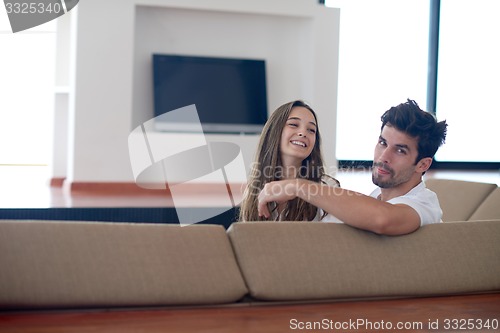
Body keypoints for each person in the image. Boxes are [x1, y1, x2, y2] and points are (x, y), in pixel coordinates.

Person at [257, 99, 448, 235]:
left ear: (423, 164)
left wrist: (296, 186)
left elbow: (382, 219)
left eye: (400, 151)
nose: (383, 156)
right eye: (382, 142)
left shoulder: (424, 205)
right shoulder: (375, 198)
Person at [239, 100, 339, 222]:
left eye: (311, 130)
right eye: (293, 125)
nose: (303, 133)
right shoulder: (253, 188)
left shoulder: (327, 187)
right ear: (274, 131)